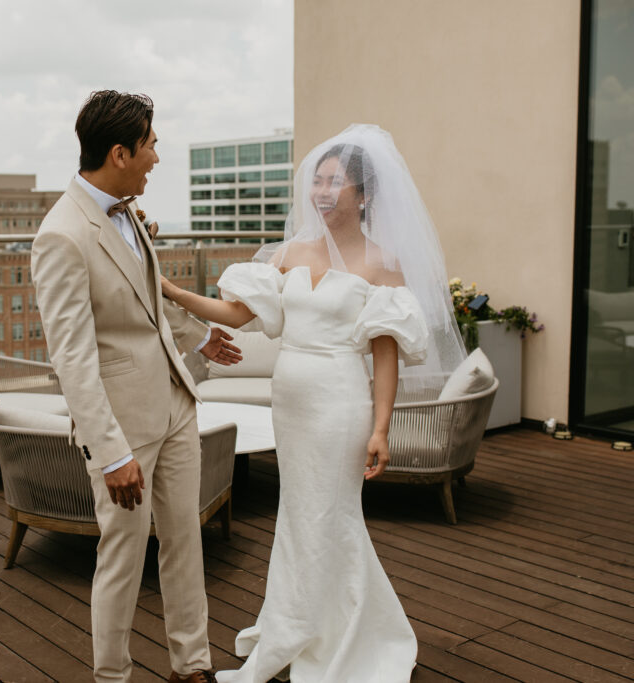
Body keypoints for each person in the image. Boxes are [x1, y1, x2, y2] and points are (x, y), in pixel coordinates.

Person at [160, 124, 467, 682]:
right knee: (301, 519)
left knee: (330, 516)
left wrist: (380, 430)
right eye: (317, 180)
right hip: (293, 404)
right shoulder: (292, 251)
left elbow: (385, 357)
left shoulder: (382, 263)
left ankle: (341, 634)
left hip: (340, 406)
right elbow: (236, 315)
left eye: (335, 182)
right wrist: (173, 292)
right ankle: (304, 623)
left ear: (364, 194)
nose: (322, 191)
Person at [31, 90, 242, 683]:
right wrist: (112, 452)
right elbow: (72, 358)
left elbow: (146, 300)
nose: (157, 156)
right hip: (122, 427)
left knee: (184, 542)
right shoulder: (62, 235)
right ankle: (112, 676)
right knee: (122, 557)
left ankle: (191, 665)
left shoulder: (125, 212)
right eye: (150, 144)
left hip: (175, 404)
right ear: (120, 151)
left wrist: (198, 340)